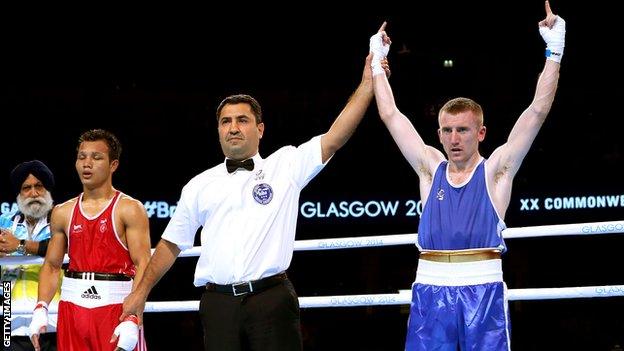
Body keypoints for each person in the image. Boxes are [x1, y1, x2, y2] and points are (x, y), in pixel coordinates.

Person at [120, 25, 391, 351]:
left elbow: (335, 136)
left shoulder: (286, 165)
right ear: (218, 131)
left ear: (260, 129)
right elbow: (170, 244)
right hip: (218, 304)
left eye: (242, 120)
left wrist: (366, 84)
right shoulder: (199, 185)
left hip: (271, 299)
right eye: (226, 121)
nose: (233, 128)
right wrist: (140, 293)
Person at [371, 2, 565, 350]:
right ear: (439, 133)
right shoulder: (430, 169)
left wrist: (555, 49)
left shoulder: (496, 170)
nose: (454, 138)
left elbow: (537, 111)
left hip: (483, 287)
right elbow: (390, 114)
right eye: (447, 130)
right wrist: (376, 63)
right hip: (430, 285)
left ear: (481, 133)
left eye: (463, 130)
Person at [29, 129, 151, 351]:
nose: (87, 163)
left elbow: (143, 262)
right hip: (72, 310)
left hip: (116, 309)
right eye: (82, 157)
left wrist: (133, 316)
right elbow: (52, 265)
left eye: (96, 157)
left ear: (113, 165)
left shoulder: (130, 209)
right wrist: (41, 307)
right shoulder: (62, 212)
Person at [0, 160, 60, 351]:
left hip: (53, 320)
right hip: (11, 319)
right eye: (26, 188)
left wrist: (20, 245)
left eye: (39, 187)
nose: (33, 193)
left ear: (48, 191)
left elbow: (63, 249)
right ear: (19, 194)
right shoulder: (4, 223)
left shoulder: (61, 222)